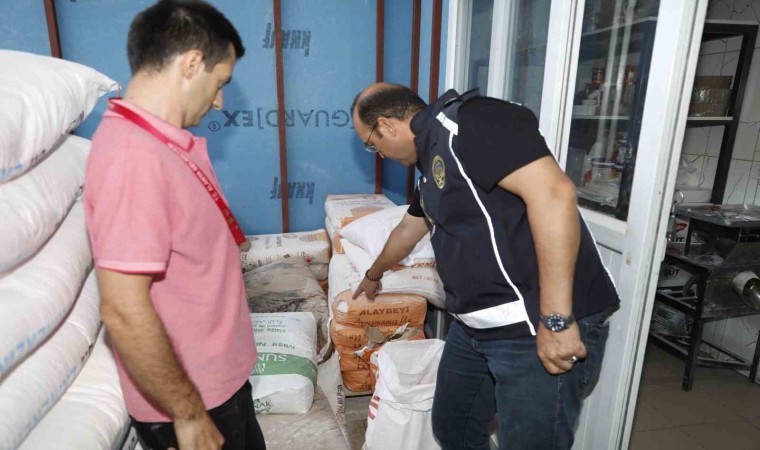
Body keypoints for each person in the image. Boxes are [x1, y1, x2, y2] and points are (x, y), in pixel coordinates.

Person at [351, 83, 619, 450]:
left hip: (531, 325)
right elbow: (408, 229)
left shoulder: (470, 120)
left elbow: (554, 194)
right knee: (453, 428)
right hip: (477, 327)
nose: (379, 154)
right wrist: (373, 274)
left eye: (372, 144)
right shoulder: (432, 162)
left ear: (386, 125)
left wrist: (556, 320)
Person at [84, 2, 264, 449]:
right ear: (191, 64)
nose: (219, 101)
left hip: (216, 386)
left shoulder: (160, 144)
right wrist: (187, 412)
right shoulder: (134, 158)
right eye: (220, 83)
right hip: (192, 401)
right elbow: (122, 309)